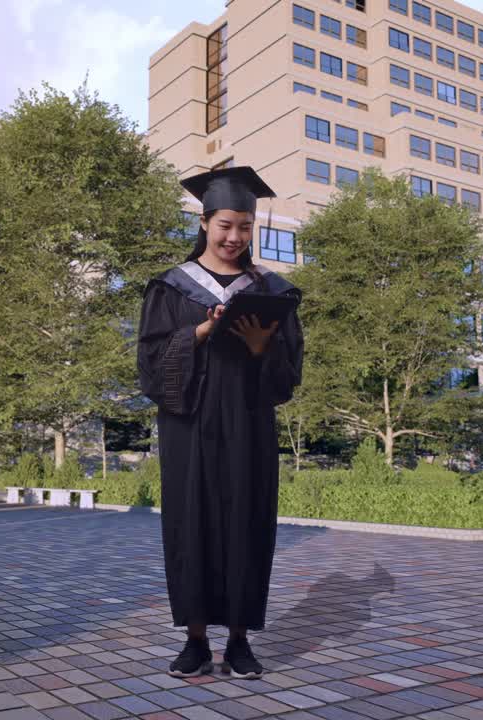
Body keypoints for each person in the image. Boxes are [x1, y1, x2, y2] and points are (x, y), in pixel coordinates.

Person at [136, 166, 304, 679]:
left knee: (245, 521)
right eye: (225, 225)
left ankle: (238, 640)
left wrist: (261, 348)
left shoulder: (272, 289)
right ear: (204, 221)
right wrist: (201, 332)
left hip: (248, 421)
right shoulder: (170, 288)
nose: (234, 237)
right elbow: (149, 363)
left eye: (245, 227)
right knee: (191, 522)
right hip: (190, 422)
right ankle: (194, 641)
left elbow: (289, 368)